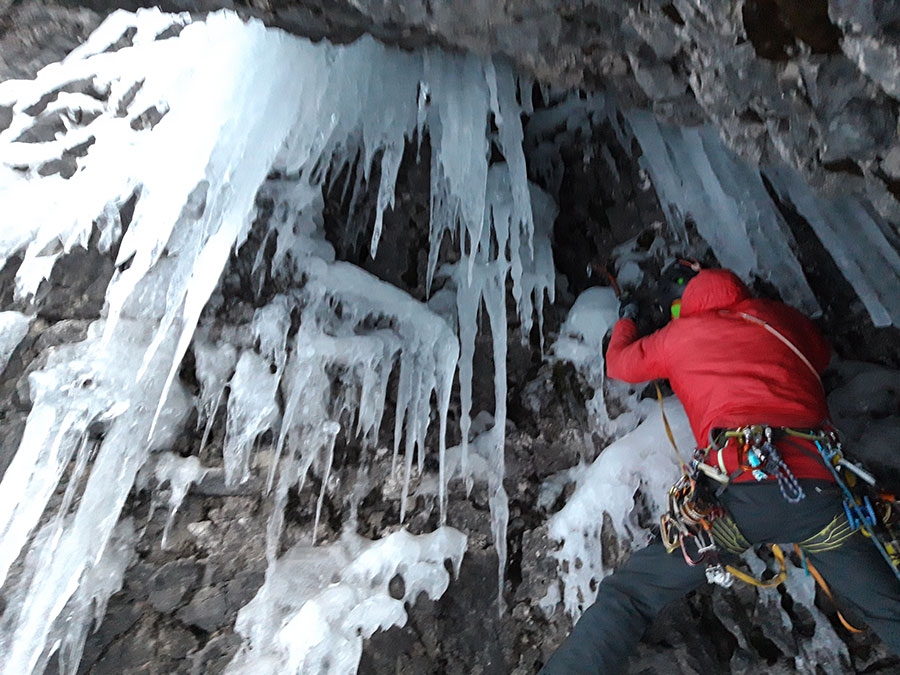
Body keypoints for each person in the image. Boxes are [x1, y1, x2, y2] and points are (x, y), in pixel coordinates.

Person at [540, 263, 900, 674]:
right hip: (819, 495)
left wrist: (628, 320)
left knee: (631, 594)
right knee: (889, 608)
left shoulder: (680, 335)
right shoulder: (781, 320)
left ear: (683, 307)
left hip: (738, 502)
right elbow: (818, 355)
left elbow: (619, 365)